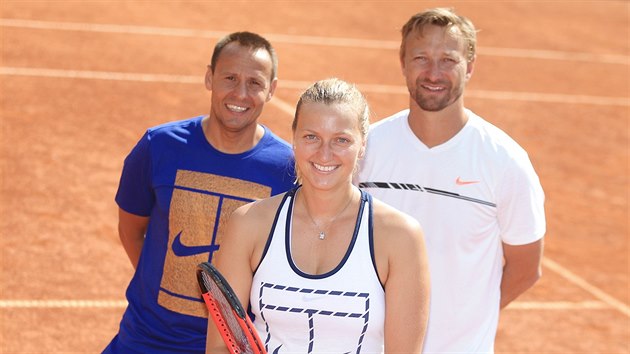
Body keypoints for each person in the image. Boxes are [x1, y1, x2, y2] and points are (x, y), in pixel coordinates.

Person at [357, 8, 546, 353]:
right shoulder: (366, 150)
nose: (433, 73)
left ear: (470, 66)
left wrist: (468, 321)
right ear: (402, 62)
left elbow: (525, 267)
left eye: (448, 59)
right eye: (421, 57)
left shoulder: (505, 161)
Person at [103, 31, 296, 353]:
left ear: (272, 89)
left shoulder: (288, 170)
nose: (241, 93)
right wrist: (162, 282)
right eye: (230, 78)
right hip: (145, 339)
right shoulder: (158, 146)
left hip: (229, 346)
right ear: (209, 78)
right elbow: (131, 229)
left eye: (255, 83)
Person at [207, 78, 430, 353]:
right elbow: (219, 346)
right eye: (311, 137)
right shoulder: (248, 224)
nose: (325, 154)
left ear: (362, 144)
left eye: (341, 140)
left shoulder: (400, 236)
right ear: (294, 139)